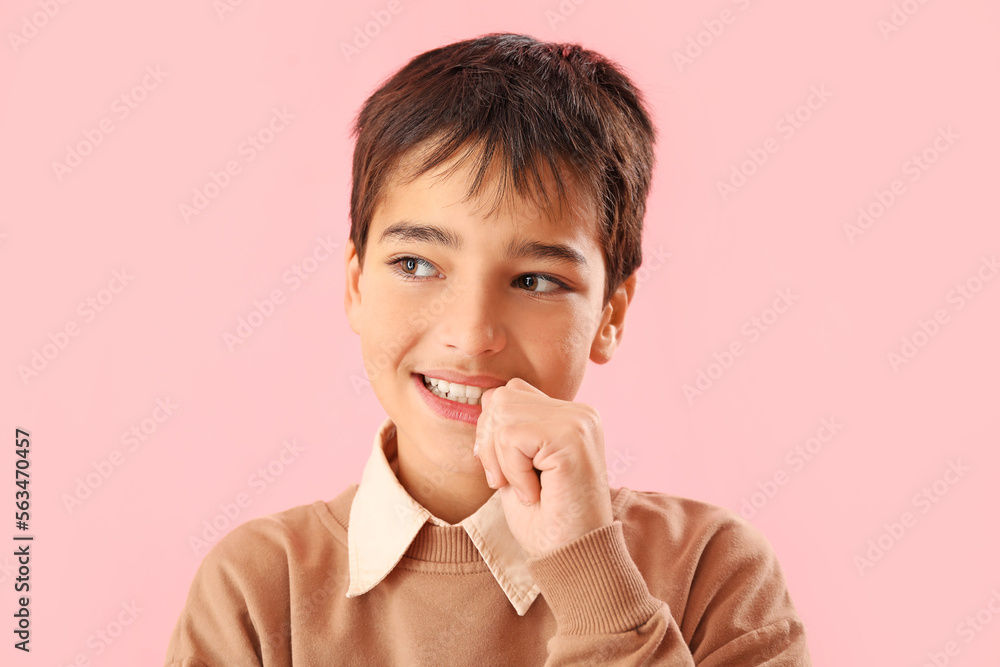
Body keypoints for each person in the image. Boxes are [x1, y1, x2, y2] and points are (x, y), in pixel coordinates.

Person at [165, 32, 813, 665]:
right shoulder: (257, 589)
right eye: (416, 264)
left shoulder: (713, 571)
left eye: (535, 280)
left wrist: (594, 581)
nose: (472, 333)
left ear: (611, 313)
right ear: (356, 283)